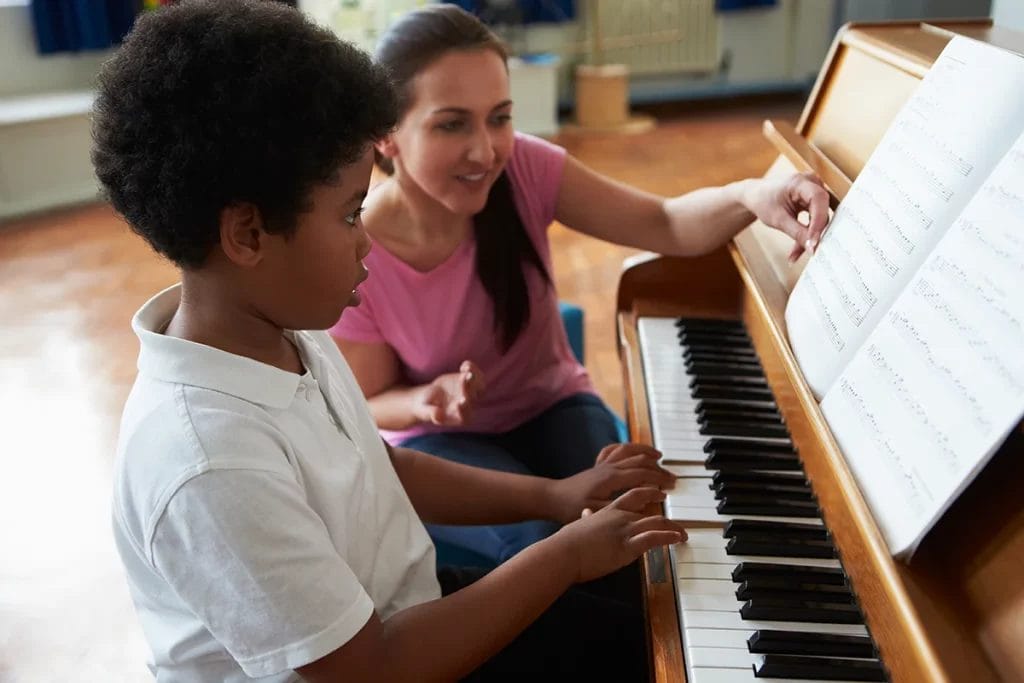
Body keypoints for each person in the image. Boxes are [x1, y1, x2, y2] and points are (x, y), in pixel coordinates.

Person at [100, 2, 686, 681]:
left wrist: (556, 497)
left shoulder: (277, 324)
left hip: (407, 602)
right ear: (248, 235)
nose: (366, 239)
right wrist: (566, 553)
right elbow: (370, 668)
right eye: (351, 212)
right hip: (387, 656)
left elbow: (381, 471)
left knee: (648, 600)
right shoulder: (209, 461)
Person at [330, 5, 830, 564]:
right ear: (387, 137)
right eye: (452, 123)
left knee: (633, 517)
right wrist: (426, 400)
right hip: (441, 442)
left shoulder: (526, 168)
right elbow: (372, 403)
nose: (487, 149)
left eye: (500, 117)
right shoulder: (357, 248)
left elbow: (665, 223)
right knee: (547, 549)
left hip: (552, 405)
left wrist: (748, 195)